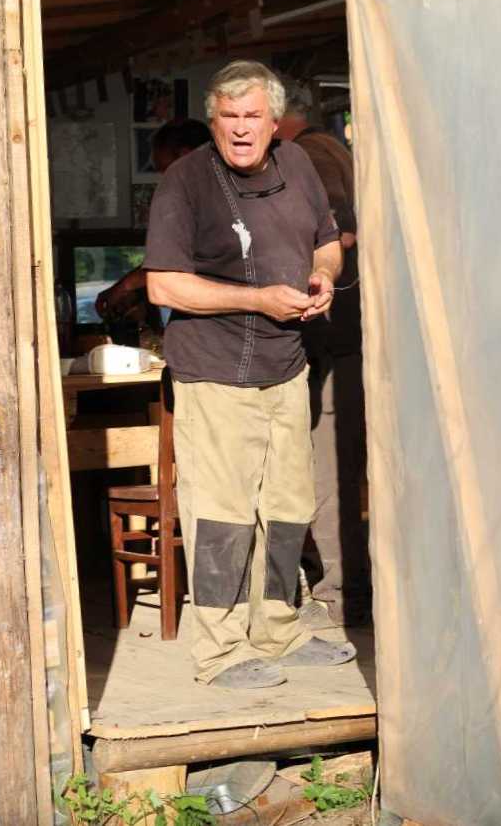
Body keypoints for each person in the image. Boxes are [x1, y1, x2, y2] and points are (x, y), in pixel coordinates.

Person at [144, 60, 356, 689]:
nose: (241, 128)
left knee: (288, 507)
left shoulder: (298, 164)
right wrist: (257, 299)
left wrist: (322, 276)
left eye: (253, 116)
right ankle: (221, 652)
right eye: (229, 116)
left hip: (285, 366)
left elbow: (327, 241)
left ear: (274, 122)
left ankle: (279, 630)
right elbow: (163, 285)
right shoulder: (184, 182)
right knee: (222, 516)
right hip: (213, 371)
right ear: (213, 121)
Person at [277, 99, 370, 627]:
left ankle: (340, 597)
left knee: (329, 474)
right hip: (347, 337)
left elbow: (341, 230)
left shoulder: (308, 154)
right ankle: (342, 589)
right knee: (338, 471)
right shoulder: (333, 148)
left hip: (333, 337)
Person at [95, 119, 211, 324]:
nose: (163, 178)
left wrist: (124, 287)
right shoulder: (192, 196)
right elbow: (168, 258)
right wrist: (128, 287)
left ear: (186, 156)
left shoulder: (212, 200)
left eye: (165, 169)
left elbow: (176, 266)